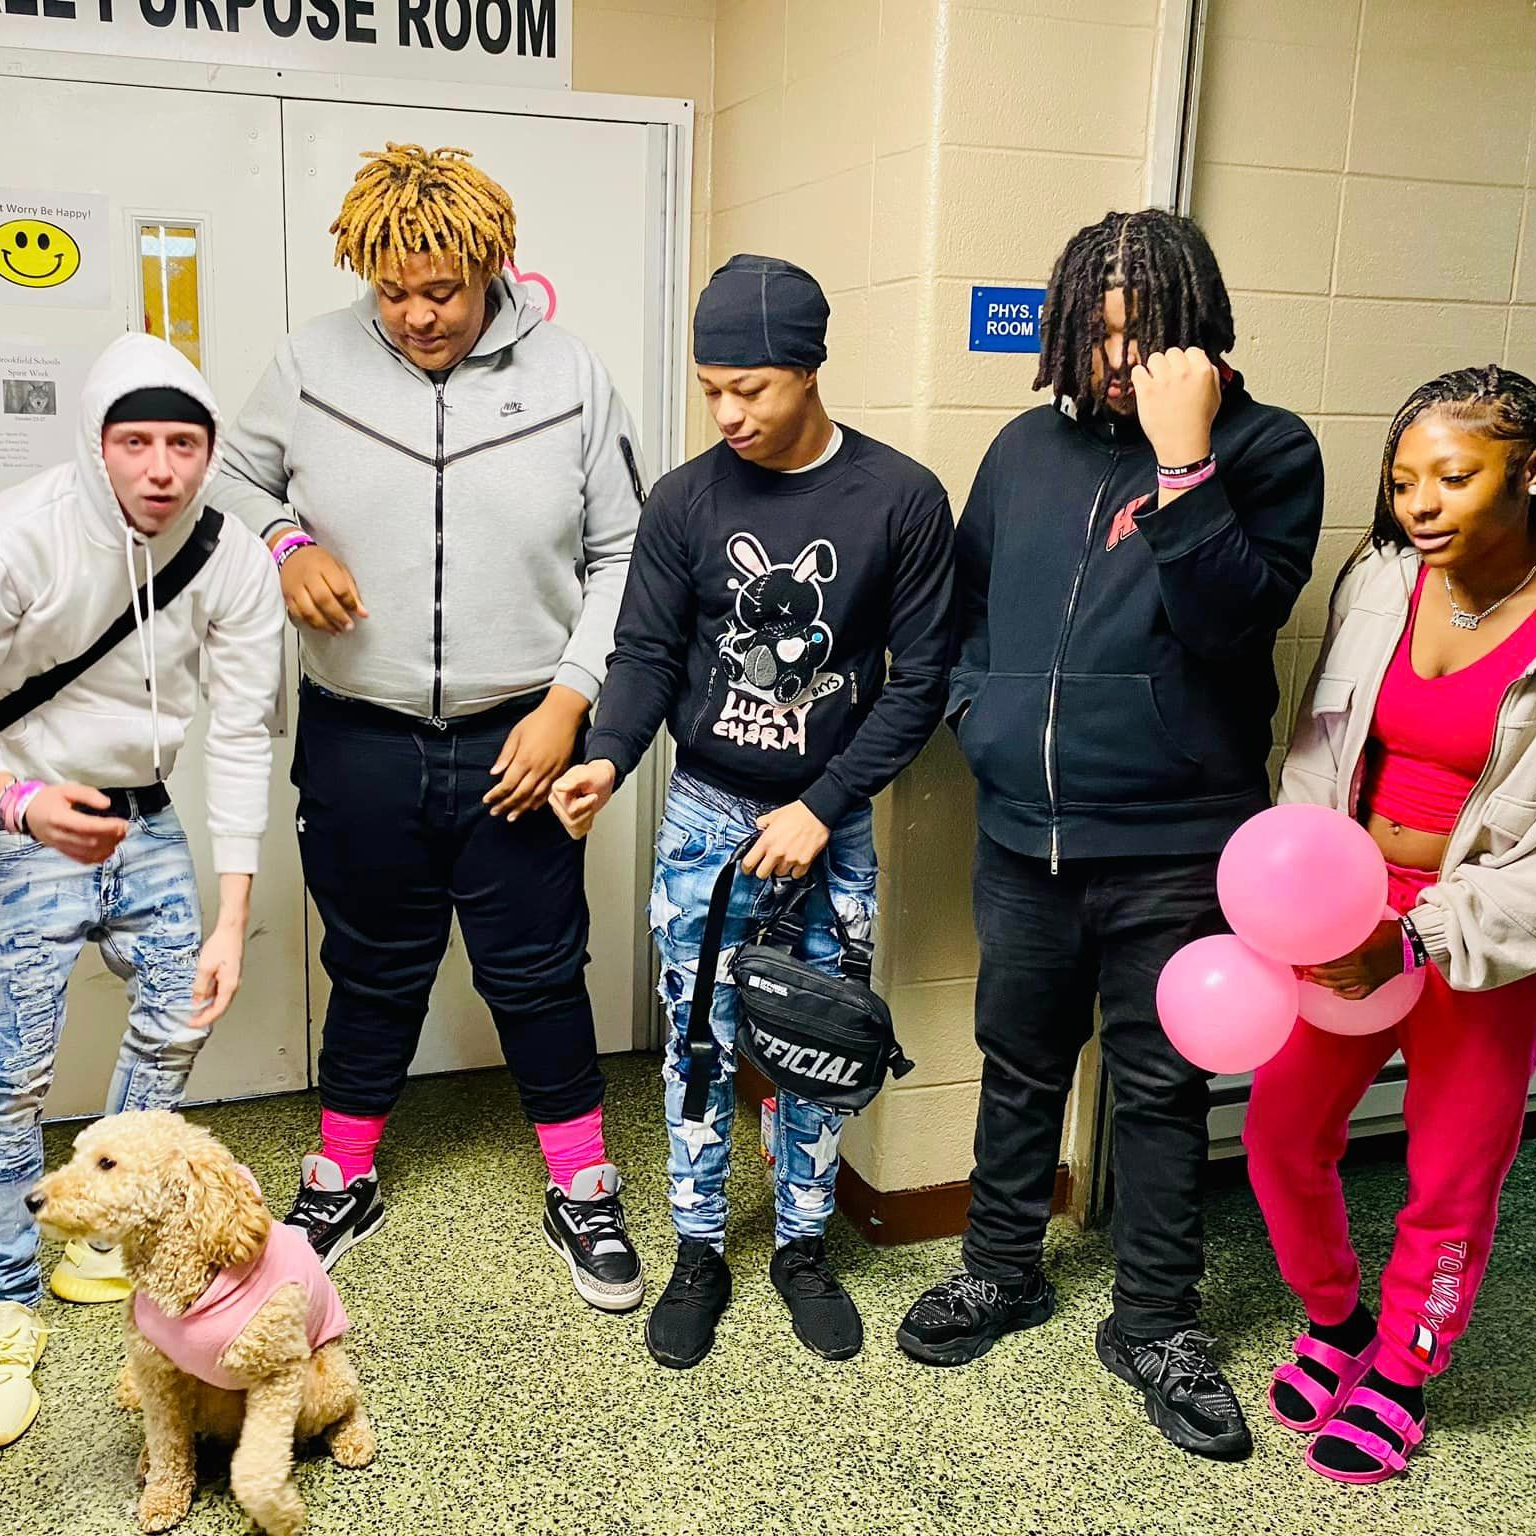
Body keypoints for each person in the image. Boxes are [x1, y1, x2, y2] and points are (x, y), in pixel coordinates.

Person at [895, 210, 1324, 1461]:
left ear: (1198, 331)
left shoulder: (1269, 449)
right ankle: (1002, 1269)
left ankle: (1156, 1322)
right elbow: (967, 612)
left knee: (1159, 1086)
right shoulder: (1025, 450)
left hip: (1180, 843)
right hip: (1026, 839)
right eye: (1097, 330)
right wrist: (977, 714)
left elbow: (1237, 622)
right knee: (1018, 1063)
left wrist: (1183, 467)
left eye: (1145, 334)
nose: (1119, 358)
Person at [212, 144, 647, 1311]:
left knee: (540, 972)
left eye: (440, 291)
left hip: (524, 737)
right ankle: (342, 1173)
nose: (415, 316)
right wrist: (286, 546)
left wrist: (569, 699)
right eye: (393, 292)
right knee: (370, 964)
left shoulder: (568, 376)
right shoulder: (309, 364)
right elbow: (232, 483)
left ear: (490, 267)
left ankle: (583, 1183)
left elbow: (623, 555)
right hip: (360, 735)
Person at [551, 255, 955, 1368]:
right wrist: (608, 757)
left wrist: (824, 806)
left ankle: (803, 1250)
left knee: (815, 1044)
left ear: (811, 370)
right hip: (707, 815)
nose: (728, 412)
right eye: (711, 387)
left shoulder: (900, 499)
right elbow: (642, 654)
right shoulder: (685, 500)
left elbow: (919, 682)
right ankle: (695, 1252)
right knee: (698, 1043)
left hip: (829, 827)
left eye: (753, 388)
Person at [1247, 365, 1536, 1485]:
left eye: (1453, 478)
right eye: (1403, 478)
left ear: (1527, 477)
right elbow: (1318, 749)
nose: (1418, 502)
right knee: (1279, 1132)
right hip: (1347, 908)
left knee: (1451, 1176)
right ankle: (1338, 1321)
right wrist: (1301, 888)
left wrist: (1417, 939)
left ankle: (1407, 1373)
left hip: (1477, 938)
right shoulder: (1378, 579)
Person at [0, 333, 283, 1446]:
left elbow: (245, 734)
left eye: (184, 442)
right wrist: (20, 807)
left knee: (179, 1014)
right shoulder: (27, 533)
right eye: (135, 441)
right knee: (12, 1075)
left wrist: (233, 915)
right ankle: (8, 1298)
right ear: (97, 444)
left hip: (146, 816)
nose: (162, 468)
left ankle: (96, 1232)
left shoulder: (234, 558)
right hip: (27, 814)